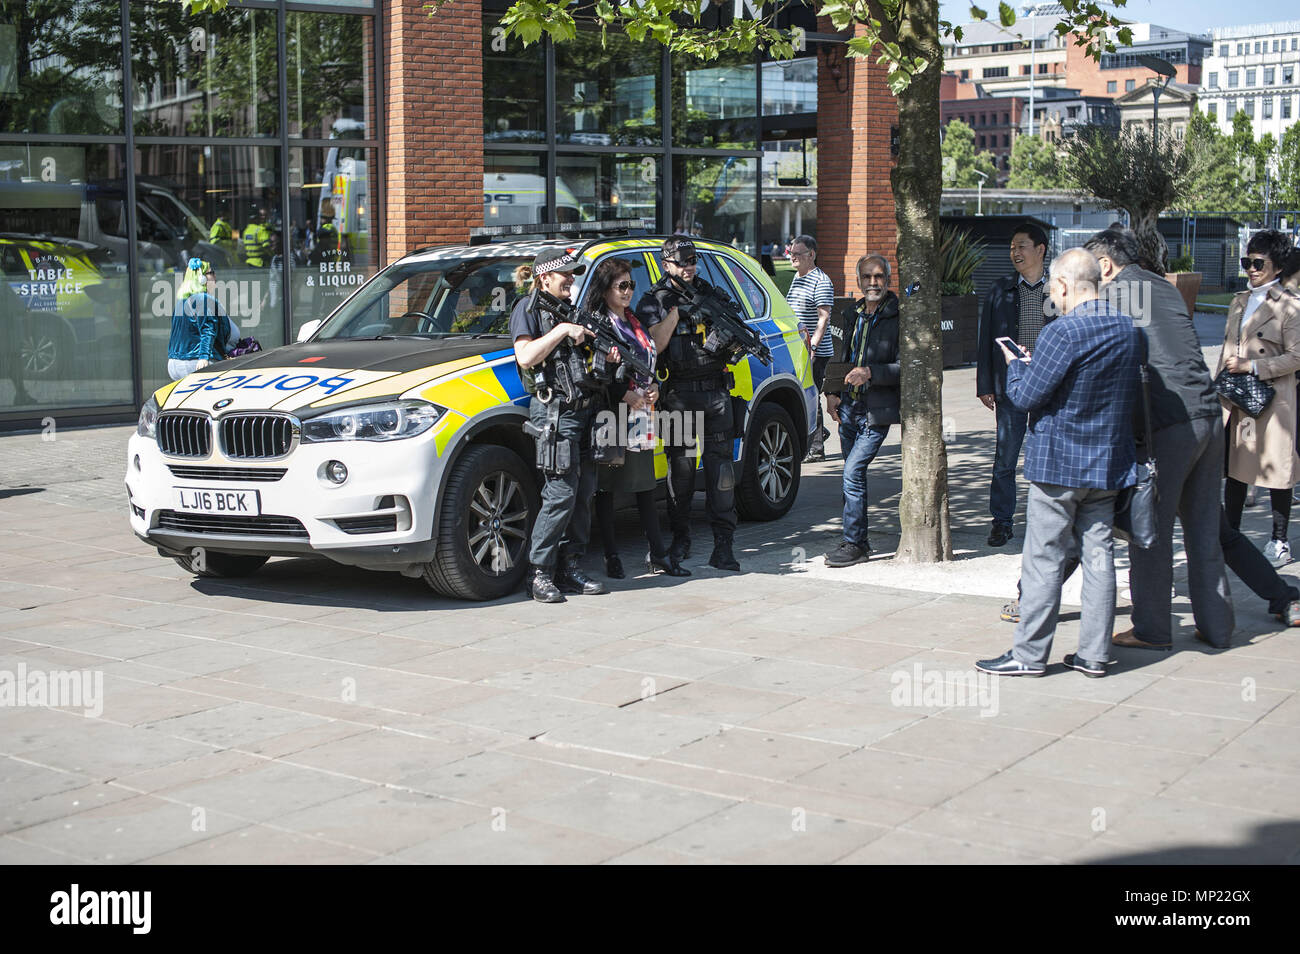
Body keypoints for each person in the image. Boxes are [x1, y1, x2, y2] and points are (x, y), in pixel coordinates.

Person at [976, 249, 1142, 678]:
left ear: (1065, 285)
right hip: (1107, 464)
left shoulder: (1062, 333)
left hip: (1059, 466)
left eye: (1052, 287)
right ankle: (1094, 654)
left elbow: (1027, 396)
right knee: (1099, 557)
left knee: (1044, 560)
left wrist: (1016, 366)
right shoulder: (1127, 328)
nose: (1052, 294)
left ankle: (1029, 656)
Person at [1083, 227, 1235, 650]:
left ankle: (1151, 629)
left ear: (1106, 265)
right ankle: (1218, 626)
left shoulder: (1114, 296)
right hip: (1207, 416)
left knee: (1148, 529)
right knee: (1203, 530)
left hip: (1167, 426)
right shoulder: (1163, 289)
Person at [510, 248, 610, 603]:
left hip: (585, 411)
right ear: (544, 278)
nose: (571, 279)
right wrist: (563, 331)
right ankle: (540, 573)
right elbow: (525, 355)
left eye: (573, 273)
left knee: (584, 494)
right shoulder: (529, 309)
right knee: (560, 493)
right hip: (555, 415)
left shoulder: (570, 310)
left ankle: (570, 566)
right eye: (565, 274)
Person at [636, 235, 741, 571]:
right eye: (681, 262)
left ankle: (724, 544)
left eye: (692, 260)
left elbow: (737, 331)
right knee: (680, 470)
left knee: (720, 470)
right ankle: (680, 538)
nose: (688, 267)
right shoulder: (654, 300)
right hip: (678, 393)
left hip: (715, 394)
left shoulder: (711, 293)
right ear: (666, 264)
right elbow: (654, 344)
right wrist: (678, 313)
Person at [586, 258, 689, 580]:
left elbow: (648, 360)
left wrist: (654, 386)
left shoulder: (633, 321)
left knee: (645, 484)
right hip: (611, 412)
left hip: (642, 412)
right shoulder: (597, 323)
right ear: (605, 289)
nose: (629, 291)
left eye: (631, 285)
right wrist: (621, 393)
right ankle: (611, 555)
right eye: (622, 286)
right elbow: (593, 370)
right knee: (607, 486)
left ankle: (658, 554)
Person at [1218, 229, 1300, 568]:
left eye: (1258, 263)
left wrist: (1253, 365)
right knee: (1237, 469)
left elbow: (1296, 357)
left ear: (1277, 266)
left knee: (1278, 472)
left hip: (1274, 401)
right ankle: (1230, 536)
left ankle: (1279, 540)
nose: (1251, 269)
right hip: (1238, 399)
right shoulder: (1239, 301)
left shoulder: (1289, 307)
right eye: (1246, 262)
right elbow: (1226, 350)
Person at [976, 222, 1052, 547]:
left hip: (1051, 386)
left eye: (1021, 246)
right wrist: (985, 384)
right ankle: (1001, 521)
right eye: (1011, 248)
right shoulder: (1001, 290)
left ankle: (1043, 523)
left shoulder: (1060, 289)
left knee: (1045, 458)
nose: (1015, 253)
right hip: (1011, 384)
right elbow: (985, 341)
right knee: (1005, 458)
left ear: (1040, 250)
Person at [824, 253, 900, 566]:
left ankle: (853, 543)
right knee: (852, 478)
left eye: (879, 276)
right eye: (867, 277)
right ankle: (858, 540)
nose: (873, 282)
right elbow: (840, 355)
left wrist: (870, 372)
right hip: (849, 408)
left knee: (852, 472)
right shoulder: (851, 314)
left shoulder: (899, 317)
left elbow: (907, 367)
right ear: (858, 281)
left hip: (876, 410)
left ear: (889, 280)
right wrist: (831, 392)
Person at [786, 234, 835, 462]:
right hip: (799, 349)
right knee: (806, 395)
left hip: (816, 351)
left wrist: (813, 344)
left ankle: (816, 449)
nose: (792, 257)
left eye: (797, 254)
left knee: (811, 396)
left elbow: (823, 318)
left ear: (811, 255)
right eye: (791, 253)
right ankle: (818, 433)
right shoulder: (798, 277)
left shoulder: (821, 281)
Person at [167, 258, 229, 381]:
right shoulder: (203, 299)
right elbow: (208, 330)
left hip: (174, 364)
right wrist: (204, 357)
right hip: (194, 363)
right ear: (202, 278)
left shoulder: (181, 302)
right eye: (211, 272)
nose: (215, 276)